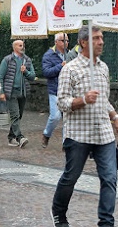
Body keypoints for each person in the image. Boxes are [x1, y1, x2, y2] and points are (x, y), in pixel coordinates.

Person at [51, 25, 117, 227]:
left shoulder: (104, 68)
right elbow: (62, 102)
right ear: (83, 42)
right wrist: (82, 100)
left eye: (101, 37)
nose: (101, 42)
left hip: (104, 134)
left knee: (110, 178)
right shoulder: (69, 69)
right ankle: (58, 213)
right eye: (96, 38)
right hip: (79, 134)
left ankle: (106, 222)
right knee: (71, 177)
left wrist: (114, 115)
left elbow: (103, 99)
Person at [0, 40, 36, 147]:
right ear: (14, 47)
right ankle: (20, 138)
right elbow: (0, 76)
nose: (22, 47)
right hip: (11, 92)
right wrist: (1, 92)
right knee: (15, 115)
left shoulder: (27, 60)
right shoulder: (7, 60)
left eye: (23, 45)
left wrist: (26, 72)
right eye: (20, 45)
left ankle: (11, 137)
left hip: (23, 92)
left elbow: (33, 76)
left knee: (18, 116)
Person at [41, 32, 69, 148]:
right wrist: (60, 66)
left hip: (68, 90)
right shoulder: (49, 55)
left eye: (67, 40)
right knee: (55, 116)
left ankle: (65, 143)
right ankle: (46, 134)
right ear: (56, 42)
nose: (66, 43)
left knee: (67, 117)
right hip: (55, 90)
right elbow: (46, 72)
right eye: (63, 40)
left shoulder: (70, 54)